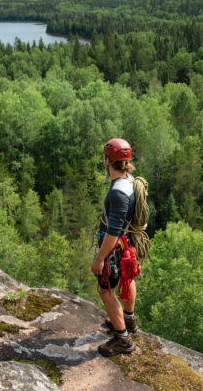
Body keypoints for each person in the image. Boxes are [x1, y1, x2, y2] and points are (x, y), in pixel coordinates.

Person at [91, 138, 139, 357]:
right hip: (126, 245)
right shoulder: (130, 181)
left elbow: (113, 232)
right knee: (128, 280)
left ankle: (123, 339)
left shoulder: (118, 192)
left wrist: (100, 258)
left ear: (108, 160)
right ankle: (128, 321)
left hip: (114, 247)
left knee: (106, 290)